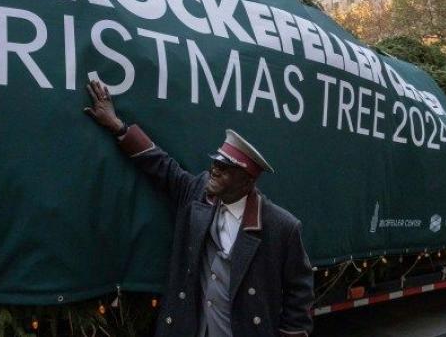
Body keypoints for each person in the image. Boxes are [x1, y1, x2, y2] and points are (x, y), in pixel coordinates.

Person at [84, 79, 314, 337]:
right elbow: (162, 165)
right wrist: (117, 126)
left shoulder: (281, 226)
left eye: (226, 168)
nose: (214, 169)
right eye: (216, 162)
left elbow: (299, 293)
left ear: (247, 181)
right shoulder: (197, 193)